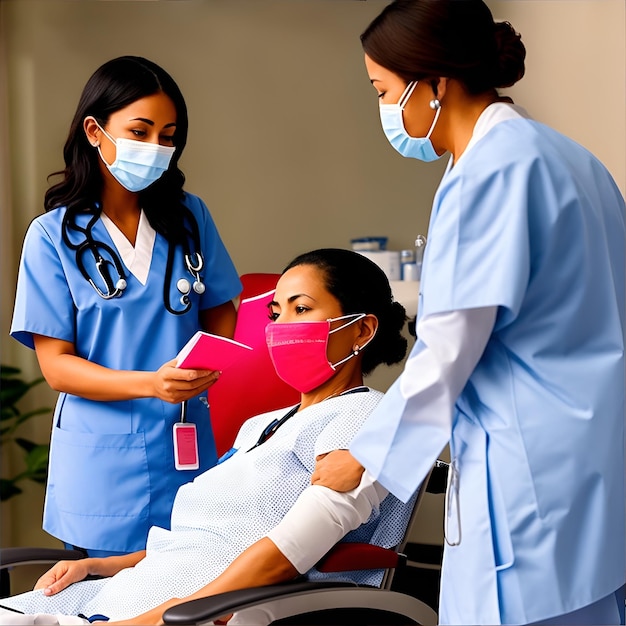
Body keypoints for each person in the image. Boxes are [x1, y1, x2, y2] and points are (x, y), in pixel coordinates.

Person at [310, 1, 626, 624]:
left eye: (383, 90)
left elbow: (451, 347)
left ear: (435, 84)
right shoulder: (572, 160)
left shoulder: (491, 172)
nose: (384, 110)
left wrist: (365, 456)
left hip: (528, 484)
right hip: (594, 472)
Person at [0, 248, 409, 625]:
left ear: (361, 330)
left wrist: (156, 620)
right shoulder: (260, 425)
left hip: (199, 609)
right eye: (275, 313)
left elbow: (289, 552)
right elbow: (211, 535)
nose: (280, 327)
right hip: (132, 589)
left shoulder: (365, 415)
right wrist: (105, 566)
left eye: (300, 308)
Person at [9, 56, 242, 557]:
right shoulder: (52, 237)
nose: (156, 148)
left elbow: (221, 305)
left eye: (168, 135)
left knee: (187, 588)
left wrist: (206, 362)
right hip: (101, 459)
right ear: (95, 131)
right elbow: (57, 367)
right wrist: (150, 385)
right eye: (140, 131)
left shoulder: (188, 216)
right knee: (104, 603)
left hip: (186, 441)